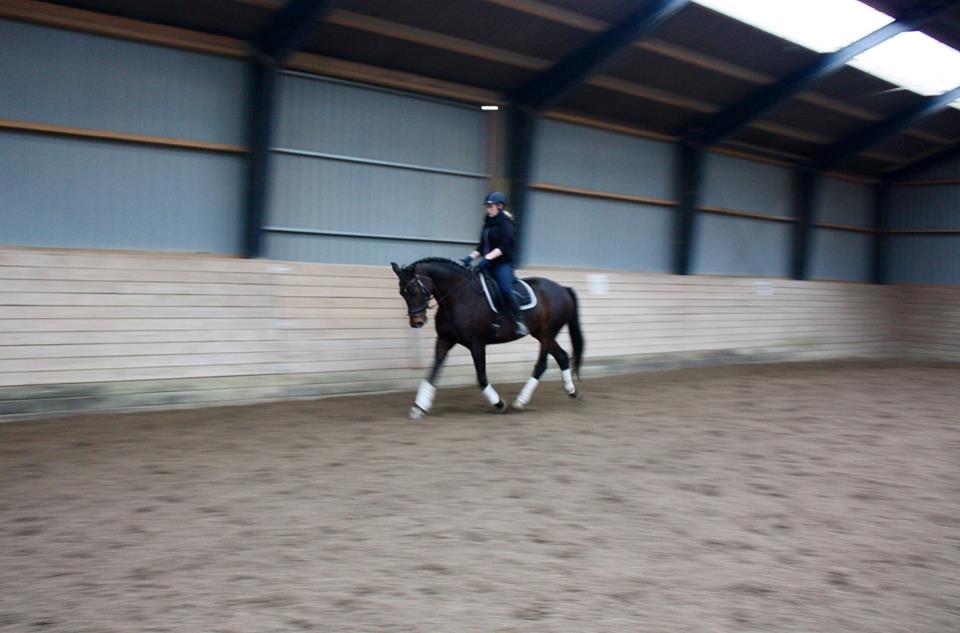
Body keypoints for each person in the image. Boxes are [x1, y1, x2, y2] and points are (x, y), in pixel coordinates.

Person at [462, 191, 529, 336]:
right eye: (486, 206)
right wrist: (469, 258)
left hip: (502, 264)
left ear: (499, 206)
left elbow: (503, 248)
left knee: (504, 289)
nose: (487, 208)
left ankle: (519, 321)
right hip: (488, 263)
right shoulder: (487, 223)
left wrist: (487, 259)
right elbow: (481, 247)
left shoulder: (506, 224)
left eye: (490, 206)